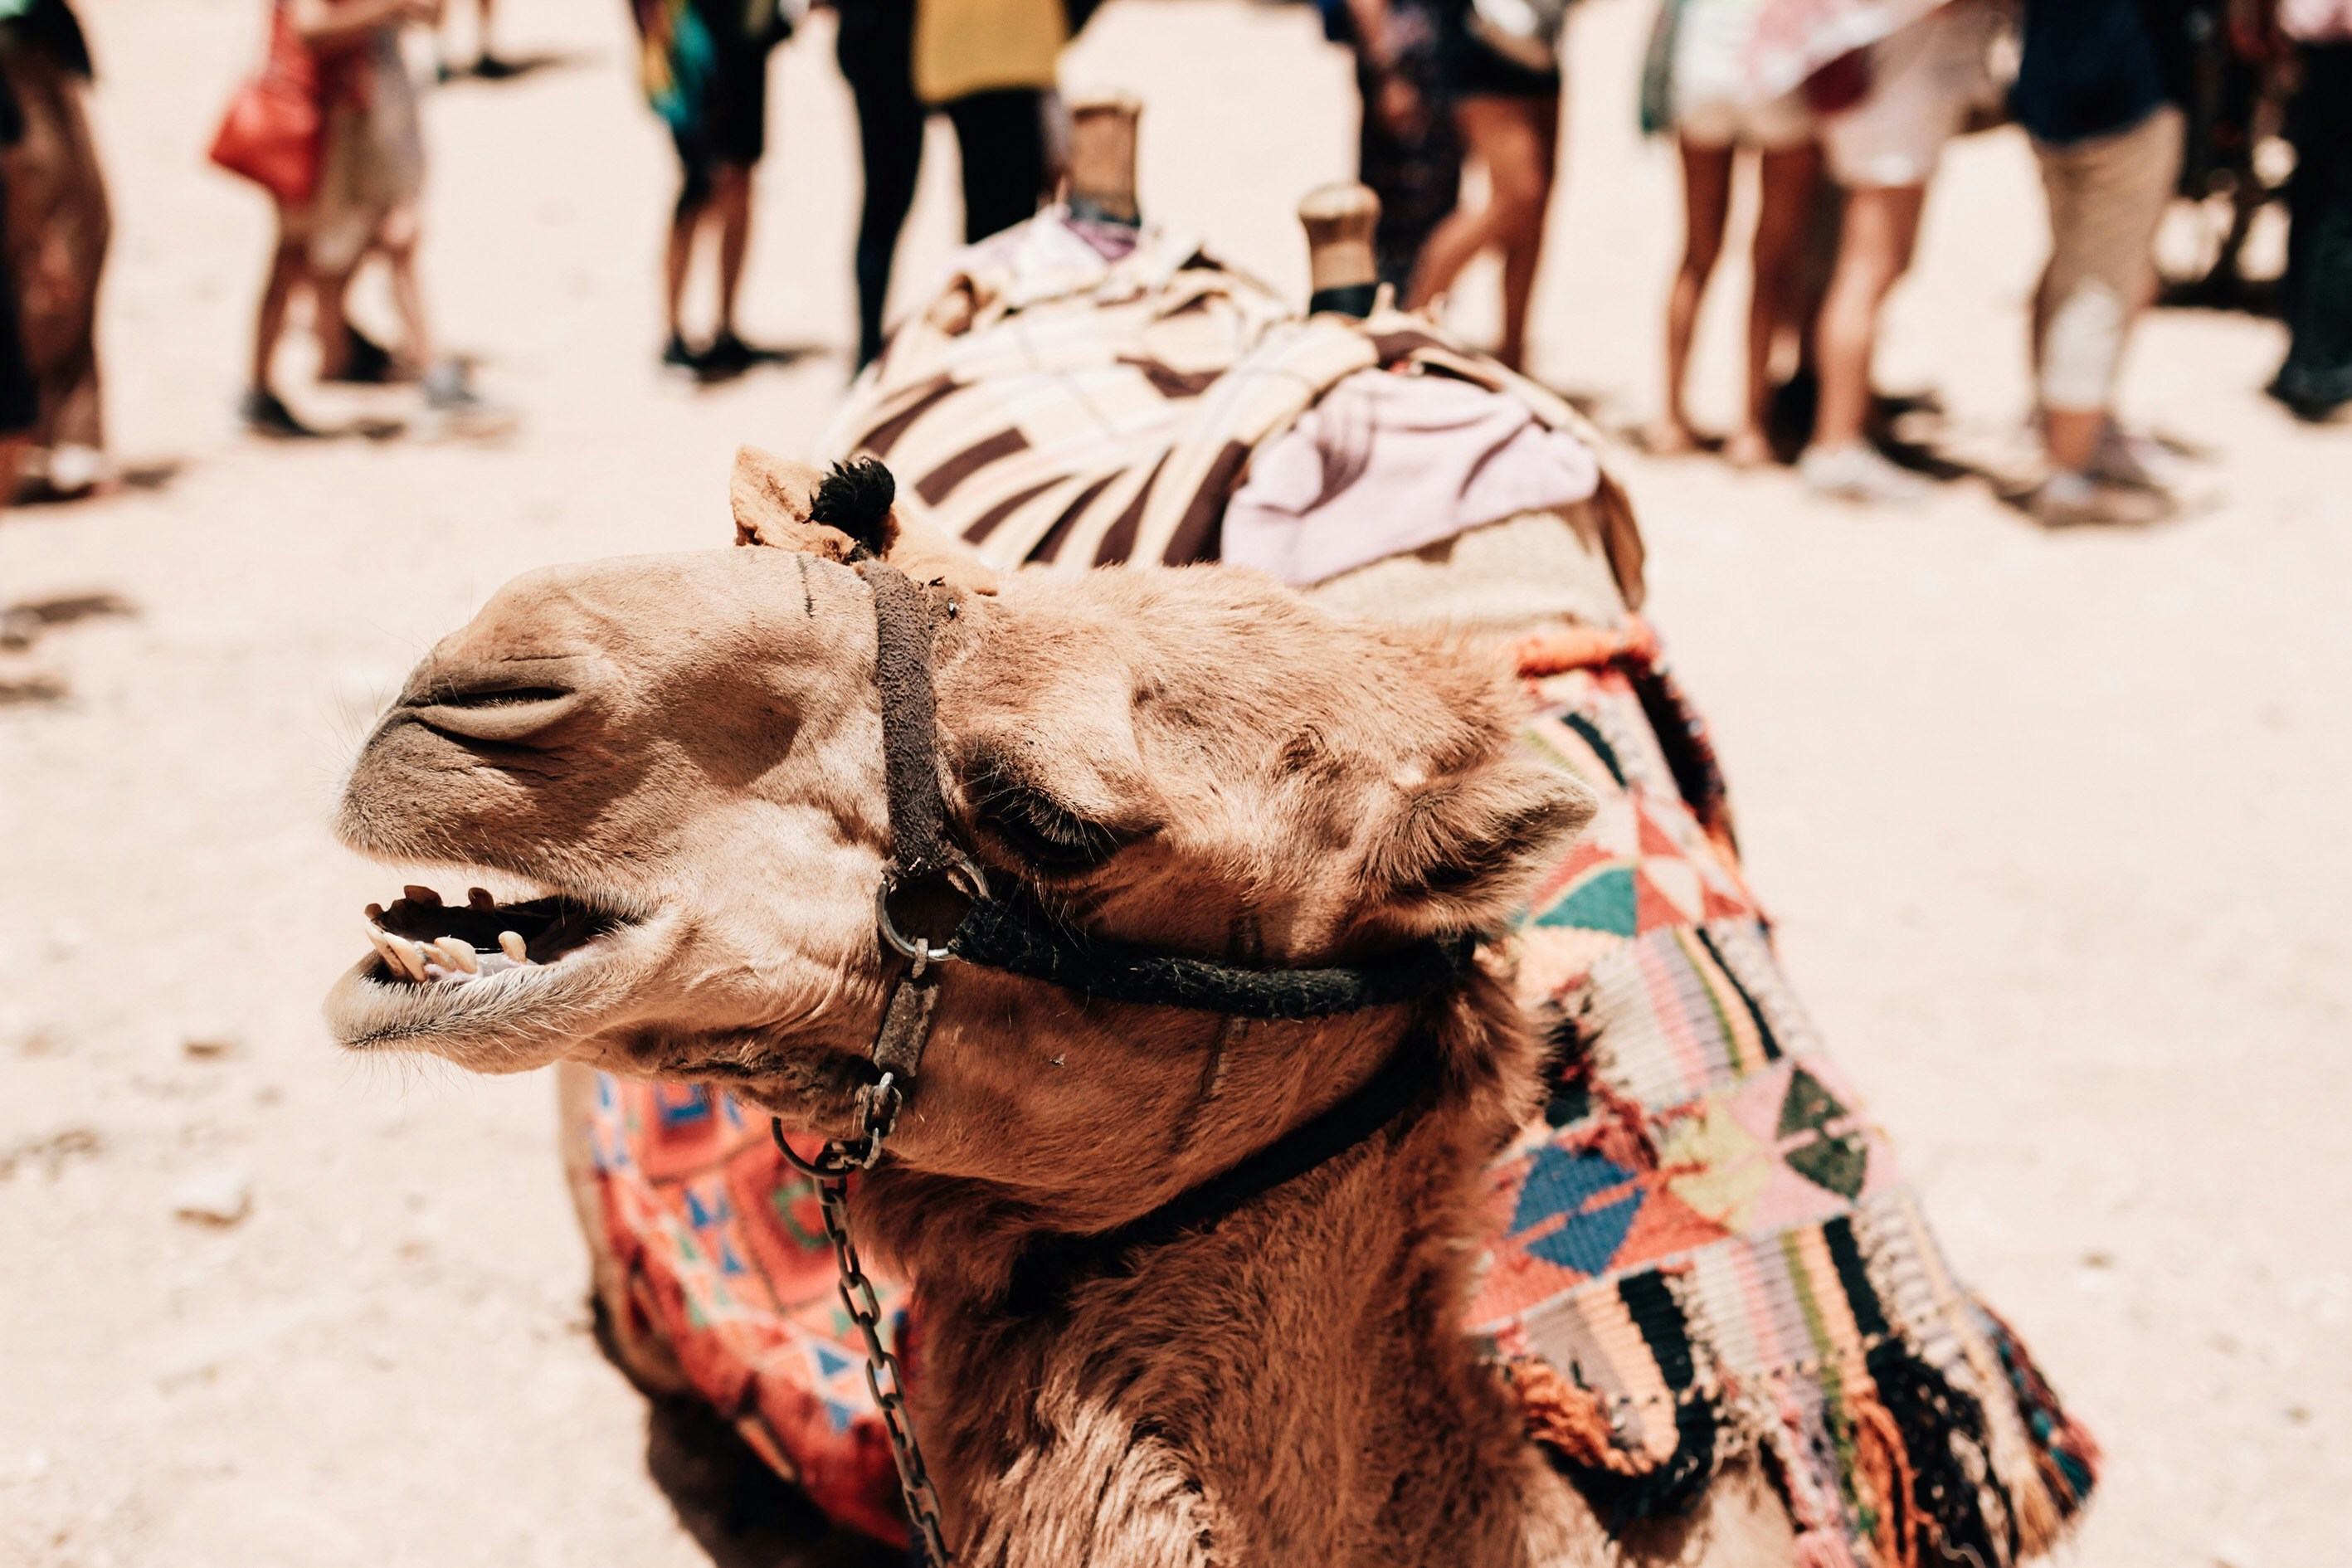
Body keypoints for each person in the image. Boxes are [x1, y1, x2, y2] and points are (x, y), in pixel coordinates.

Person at [244, 0, 490, 436]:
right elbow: (310, 31)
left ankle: (424, 366)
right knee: (294, 255)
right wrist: (388, 8)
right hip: (318, 114)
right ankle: (261, 389)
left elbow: (430, 19)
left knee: (396, 232)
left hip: (364, 109)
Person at [1797, 0, 1998, 501]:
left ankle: (1854, 424)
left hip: (1880, 97)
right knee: (1867, 274)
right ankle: (1836, 444)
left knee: (1875, 270)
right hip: (1891, 105)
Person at [2011, 0, 2189, 524]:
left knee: (2070, 266)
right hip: (2123, 93)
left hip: (2048, 88)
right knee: (2099, 286)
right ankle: (2069, 472)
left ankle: (2058, 426)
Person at [1641, 0, 1821, 463]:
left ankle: (1670, 420)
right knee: (1773, 259)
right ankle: (1751, 427)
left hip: (1704, 64)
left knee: (1697, 253)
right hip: (1779, 69)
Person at [632, 0, 790, 373]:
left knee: (741, 180)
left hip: (745, 41)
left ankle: (727, 328)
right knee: (697, 184)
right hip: (689, 42)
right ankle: (672, 332)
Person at [1405, 0, 1562, 370]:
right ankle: (1413, 322)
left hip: (1540, 34)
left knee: (1536, 209)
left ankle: (1514, 356)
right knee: (1519, 196)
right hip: (1481, 34)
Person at [0, 0, 109, 496]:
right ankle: (29, 432)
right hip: (16, 46)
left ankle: (54, 434)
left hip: (37, 42)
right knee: (52, 239)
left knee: (79, 230)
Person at [2262, 0, 2352, 420]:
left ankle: (2306, 361)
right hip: (2338, 35)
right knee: (2337, 211)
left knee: (2318, 202)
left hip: (2319, 37)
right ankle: (2323, 370)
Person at [1335, 0, 1461, 295]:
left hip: (1432, 69)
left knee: (1437, 203)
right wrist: (1388, 75)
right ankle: (1397, 310)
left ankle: (1412, 308)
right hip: (1403, 68)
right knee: (1393, 208)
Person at [913, 0, 1062, 245]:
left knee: (982, 191)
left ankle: (981, 271)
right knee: (1015, 201)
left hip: (958, 50)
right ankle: (991, 273)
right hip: (1018, 50)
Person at [835, 0, 923, 368]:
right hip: (887, 45)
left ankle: (868, 347)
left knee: (886, 201)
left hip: (880, 42)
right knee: (888, 200)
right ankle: (868, 348)